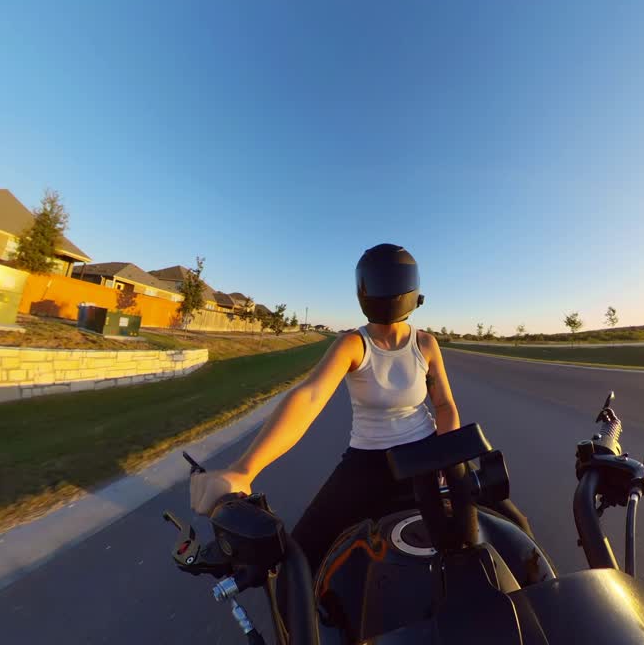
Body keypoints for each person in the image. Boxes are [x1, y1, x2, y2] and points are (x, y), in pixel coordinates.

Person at [190, 243, 531, 569]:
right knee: (302, 554)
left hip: (429, 451)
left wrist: (448, 454)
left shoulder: (425, 343)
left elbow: (443, 404)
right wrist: (245, 469)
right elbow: (309, 397)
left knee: (516, 527)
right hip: (369, 460)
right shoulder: (353, 344)